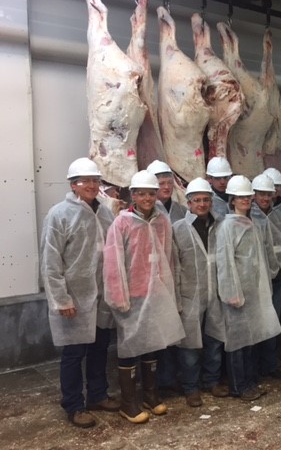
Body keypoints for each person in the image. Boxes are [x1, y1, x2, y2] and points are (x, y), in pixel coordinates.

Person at [40, 157, 119, 428]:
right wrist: (61, 299)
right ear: (73, 185)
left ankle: (98, 395)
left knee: (99, 349)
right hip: (75, 298)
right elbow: (51, 261)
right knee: (74, 355)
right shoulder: (59, 214)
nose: (92, 185)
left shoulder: (106, 213)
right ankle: (74, 405)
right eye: (86, 181)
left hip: (101, 297)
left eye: (96, 181)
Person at [103, 170, 185, 424]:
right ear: (134, 196)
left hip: (157, 294)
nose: (147, 198)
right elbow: (113, 261)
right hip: (132, 296)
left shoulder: (162, 221)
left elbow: (169, 257)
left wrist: (170, 293)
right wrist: (119, 297)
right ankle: (128, 403)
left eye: (151, 193)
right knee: (129, 348)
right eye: (142, 194)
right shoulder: (122, 223)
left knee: (152, 344)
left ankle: (151, 395)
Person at [216, 175, 281, 401]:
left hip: (253, 292)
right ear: (232, 199)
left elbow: (259, 257)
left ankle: (250, 382)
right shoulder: (227, 226)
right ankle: (239, 386)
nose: (245, 200)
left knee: (251, 340)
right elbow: (225, 261)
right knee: (237, 342)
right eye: (240, 197)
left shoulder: (251, 223)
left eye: (247, 197)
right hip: (238, 293)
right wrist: (231, 292)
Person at [172, 178, 228, 408]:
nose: (202, 204)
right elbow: (174, 265)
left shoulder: (220, 225)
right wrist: (176, 297)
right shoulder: (178, 229)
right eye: (197, 200)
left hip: (215, 291)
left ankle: (212, 381)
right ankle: (191, 388)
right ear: (189, 203)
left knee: (215, 340)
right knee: (190, 345)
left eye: (206, 200)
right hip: (190, 293)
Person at [147, 159, 186, 393]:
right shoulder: (141, 212)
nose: (166, 186)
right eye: (161, 182)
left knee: (173, 332)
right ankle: (156, 383)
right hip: (152, 281)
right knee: (155, 334)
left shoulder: (180, 210)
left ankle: (172, 379)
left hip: (176, 276)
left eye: (168, 181)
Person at [251, 174, 281, 380]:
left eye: (268, 194)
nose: (265, 198)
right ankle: (256, 367)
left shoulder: (277, 216)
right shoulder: (249, 216)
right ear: (254, 195)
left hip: (276, 278)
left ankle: (270, 364)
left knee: (273, 323)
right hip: (258, 281)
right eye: (261, 194)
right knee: (257, 324)